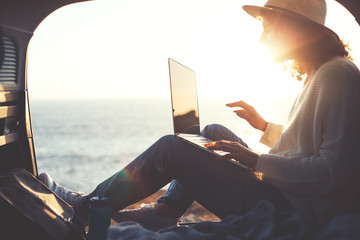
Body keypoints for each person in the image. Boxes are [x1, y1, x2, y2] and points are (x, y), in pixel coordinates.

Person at [39, 0, 360, 232]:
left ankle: (84, 207)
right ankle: (166, 210)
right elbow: (308, 145)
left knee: (172, 148)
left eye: (268, 27)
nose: (262, 38)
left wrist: (255, 161)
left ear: (295, 28)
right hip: (286, 191)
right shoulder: (321, 73)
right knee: (212, 131)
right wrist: (263, 127)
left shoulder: (338, 77)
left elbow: (332, 172)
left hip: (292, 206)